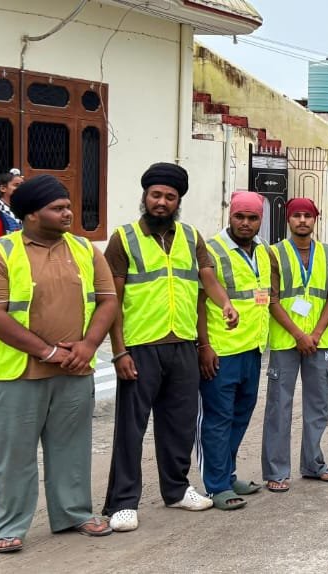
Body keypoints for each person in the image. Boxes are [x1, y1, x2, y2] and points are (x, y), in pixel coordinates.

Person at [0, 175, 119, 553]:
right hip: (18, 374)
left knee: (72, 449)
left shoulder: (85, 249)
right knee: (15, 455)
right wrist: (48, 352)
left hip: (75, 370)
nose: (68, 213)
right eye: (58, 208)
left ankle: (74, 513)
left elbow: (108, 301)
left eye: (68, 206)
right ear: (31, 214)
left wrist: (88, 345)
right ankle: (7, 526)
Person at [103, 162, 234, 531]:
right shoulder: (124, 238)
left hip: (183, 345)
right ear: (145, 196)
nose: (161, 202)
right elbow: (112, 300)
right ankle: (122, 502)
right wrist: (119, 351)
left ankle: (176, 489)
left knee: (179, 424)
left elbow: (207, 279)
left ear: (178, 202)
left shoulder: (191, 237)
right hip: (140, 346)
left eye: (170, 197)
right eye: (156, 195)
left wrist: (225, 303)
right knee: (131, 428)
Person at [197, 191, 272, 510]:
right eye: (239, 216)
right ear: (230, 215)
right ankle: (216, 486)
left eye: (252, 218)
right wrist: (204, 346)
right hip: (221, 350)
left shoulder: (263, 250)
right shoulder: (211, 249)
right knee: (217, 418)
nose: (245, 223)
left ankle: (227, 476)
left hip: (252, 348)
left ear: (260, 220)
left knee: (241, 415)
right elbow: (199, 300)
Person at [261, 197, 328, 492]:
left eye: (308, 215)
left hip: (320, 341)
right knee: (279, 406)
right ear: (288, 220)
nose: (303, 220)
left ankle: (314, 464)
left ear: (315, 219)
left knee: (318, 405)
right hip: (286, 340)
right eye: (297, 215)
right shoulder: (274, 253)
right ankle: (277, 471)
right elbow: (272, 299)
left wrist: (316, 333)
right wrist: (298, 334)